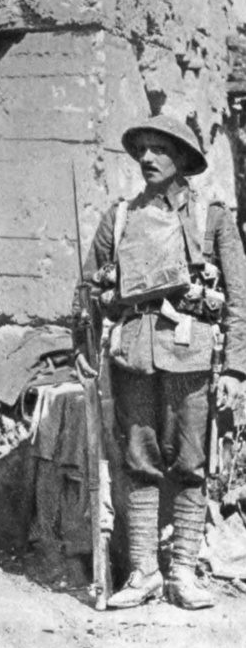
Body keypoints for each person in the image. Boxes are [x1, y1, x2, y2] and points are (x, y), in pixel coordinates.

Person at [74, 114, 246, 609]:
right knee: (138, 462)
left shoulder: (211, 217)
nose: (147, 158)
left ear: (183, 160)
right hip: (133, 354)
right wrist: (84, 342)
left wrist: (235, 368)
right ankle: (144, 573)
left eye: (159, 150)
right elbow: (88, 288)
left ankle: (183, 574)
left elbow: (238, 298)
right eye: (142, 149)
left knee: (190, 463)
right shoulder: (120, 217)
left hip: (191, 356)